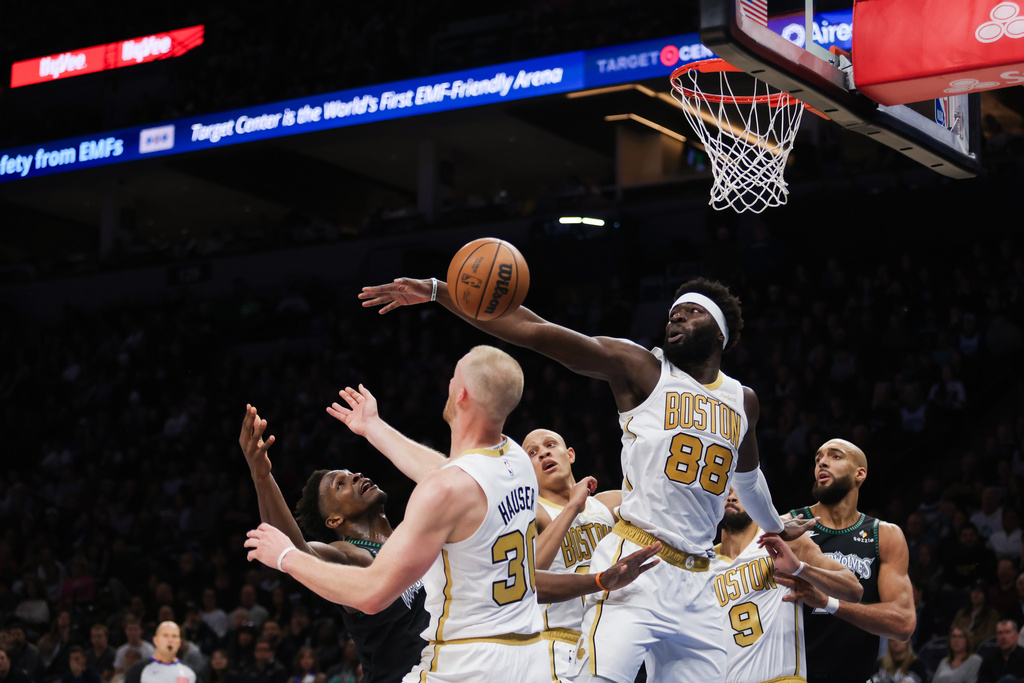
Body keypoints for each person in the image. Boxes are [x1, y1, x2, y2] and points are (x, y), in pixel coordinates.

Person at [359, 275, 810, 683]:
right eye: (673, 312)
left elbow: (749, 479)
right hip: (640, 562)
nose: (676, 318)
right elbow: (536, 331)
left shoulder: (742, 400)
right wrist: (442, 292)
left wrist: (773, 526)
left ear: (719, 332)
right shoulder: (642, 369)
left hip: (698, 580)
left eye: (691, 313)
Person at [245, 346, 661, 683]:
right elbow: (451, 476)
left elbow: (371, 594)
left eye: (454, 377)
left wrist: (285, 556)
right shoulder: (514, 460)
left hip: (467, 660)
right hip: (529, 655)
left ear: (459, 394)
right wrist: (374, 428)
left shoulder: (443, 493)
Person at [239, 404, 429, 683]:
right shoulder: (352, 555)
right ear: (334, 520)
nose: (355, 476)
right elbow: (294, 551)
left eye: (350, 473)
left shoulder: (410, 537)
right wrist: (262, 476)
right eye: (339, 485)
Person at [784, 438, 917, 683]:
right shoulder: (789, 525)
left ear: (860, 474)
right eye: (818, 458)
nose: (822, 462)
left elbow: (903, 623)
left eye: (835, 456)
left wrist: (828, 603)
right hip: (792, 675)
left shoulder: (885, 535)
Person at [711, 487, 863, 683]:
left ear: (758, 498)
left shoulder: (783, 541)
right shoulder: (705, 562)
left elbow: (854, 589)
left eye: (739, 490)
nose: (731, 497)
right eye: (725, 491)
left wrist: (800, 568)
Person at [522, 428, 620, 681]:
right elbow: (529, 578)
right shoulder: (534, 513)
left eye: (550, 445)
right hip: (560, 643)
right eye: (533, 453)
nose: (543, 453)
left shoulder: (609, 503)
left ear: (570, 454)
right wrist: (573, 506)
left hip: (612, 643)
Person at [123, 622, 196, 683]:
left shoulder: (190, 672)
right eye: (165, 635)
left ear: (179, 643)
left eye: (174, 636)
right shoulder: (139, 670)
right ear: (156, 640)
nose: (170, 640)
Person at [952, 580, 1001, 652]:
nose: (975, 594)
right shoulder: (962, 613)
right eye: (973, 591)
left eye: (979, 592)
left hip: (979, 650)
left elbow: (989, 637)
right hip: (958, 649)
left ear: (985, 595)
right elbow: (953, 630)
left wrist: (967, 642)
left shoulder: (992, 614)